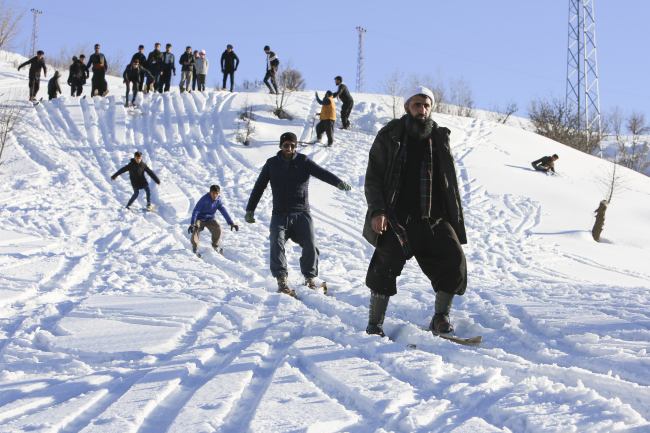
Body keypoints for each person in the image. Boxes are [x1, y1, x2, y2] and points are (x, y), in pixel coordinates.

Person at [362, 86, 468, 338]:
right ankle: (375, 324)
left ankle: (441, 318)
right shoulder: (389, 135)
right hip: (395, 216)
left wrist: (453, 217)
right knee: (384, 266)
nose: (422, 110)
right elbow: (373, 177)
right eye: (417, 105)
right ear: (407, 107)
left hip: (432, 216)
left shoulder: (439, 137)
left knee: (454, 258)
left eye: (427, 105)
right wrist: (378, 210)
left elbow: (448, 182)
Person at [245, 132, 352, 297]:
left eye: (293, 145)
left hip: (302, 212)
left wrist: (338, 182)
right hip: (280, 214)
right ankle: (281, 279)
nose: (289, 148)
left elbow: (321, 173)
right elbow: (259, 186)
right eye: (286, 145)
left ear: (296, 146)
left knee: (310, 244)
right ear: (281, 146)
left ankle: (310, 278)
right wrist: (250, 209)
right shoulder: (271, 164)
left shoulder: (303, 161)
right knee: (276, 242)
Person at [188, 185, 239, 257]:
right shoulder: (204, 199)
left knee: (218, 227)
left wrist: (231, 223)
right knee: (195, 228)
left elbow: (223, 211)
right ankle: (195, 250)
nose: (215, 195)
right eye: (213, 193)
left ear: (219, 193)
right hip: (200, 219)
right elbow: (196, 210)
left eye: (217, 193)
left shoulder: (218, 201)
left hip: (210, 219)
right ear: (210, 193)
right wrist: (193, 223)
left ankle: (215, 247)